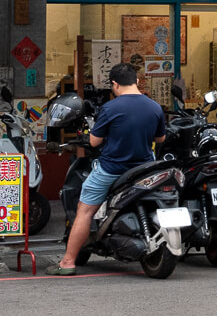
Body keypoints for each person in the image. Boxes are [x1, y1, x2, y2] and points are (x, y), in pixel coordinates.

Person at [46, 62, 166, 275]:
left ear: (114, 84)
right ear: (137, 81)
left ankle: (67, 262)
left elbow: (93, 142)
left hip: (112, 169)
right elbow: (160, 137)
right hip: (146, 169)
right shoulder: (154, 107)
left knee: (84, 211)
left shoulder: (111, 108)